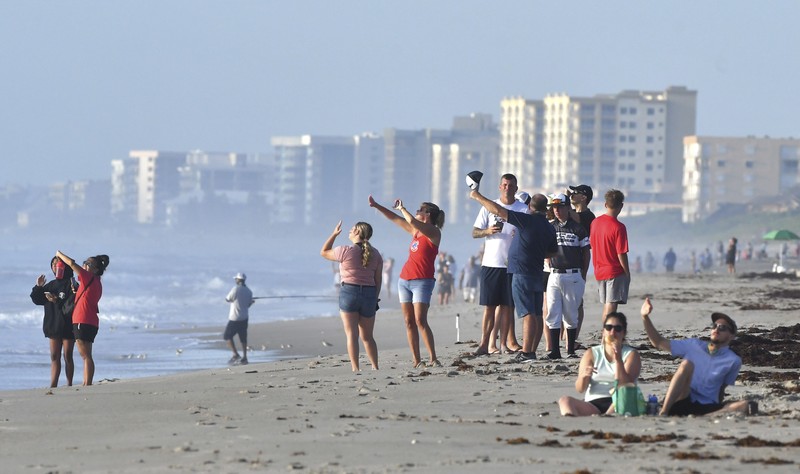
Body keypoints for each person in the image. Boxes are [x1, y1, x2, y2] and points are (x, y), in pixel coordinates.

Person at [470, 189, 557, 362]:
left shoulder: (527, 220)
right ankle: (531, 350)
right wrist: (536, 252)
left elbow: (498, 210)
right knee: (537, 313)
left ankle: (526, 352)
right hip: (536, 271)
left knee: (528, 313)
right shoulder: (548, 226)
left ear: (530, 207)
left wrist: (477, 196)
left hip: (522, 271)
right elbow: (553, 252)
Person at [369, 195, 445, 368]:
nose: (417, 211)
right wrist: (377, 206)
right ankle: (417, 360)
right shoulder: (416, 232)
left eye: (420, 210)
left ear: (427, 215)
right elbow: (395, 218)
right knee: (408, 321)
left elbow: (410, 219)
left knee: (420, 320)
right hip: (405, 280)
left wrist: (403, 208)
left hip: (423, 281)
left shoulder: (433, 232)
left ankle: (433, 358)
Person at [640, 297, 748, 416]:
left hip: (707, 405)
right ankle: (664, 411)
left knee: (745, 405)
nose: (716, 329)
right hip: (683, 399)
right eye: (714, 326)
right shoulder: (694, 345)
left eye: (722, 328)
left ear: (731, 336)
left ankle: (706, 416)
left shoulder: (733, 360)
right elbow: (658, 342)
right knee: (687, 364)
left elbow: (721, 388)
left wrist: (720, 404)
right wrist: (645, 317)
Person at [471, 174, 528, 355]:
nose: (507, 188)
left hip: (513, 264)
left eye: (511, 186)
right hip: (491, 263)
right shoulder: (490, 207)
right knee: (489, 307)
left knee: (507, 306)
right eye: (504, 185)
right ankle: (484, 344)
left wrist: (519, 235)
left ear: (516, 188)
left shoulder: (523, 209)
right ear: (499, 187)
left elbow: (528, 232)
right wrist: (488, 231)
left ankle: (503, 344)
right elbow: (474, 232)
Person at [320, 220, 382, 372]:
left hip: (349, 292)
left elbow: (324, 252)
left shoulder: (345, 250)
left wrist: (334, 234)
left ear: (357, 233)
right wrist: (375, 297)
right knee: (367, 336)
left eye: (352, 229)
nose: (349, 230)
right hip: (369, 293)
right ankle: (375, 366)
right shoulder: (376, 254)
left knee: (351, 334)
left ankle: (356, 368)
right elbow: (377, 280)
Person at [558, 311, 641, 416]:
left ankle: (606, 417)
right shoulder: (592, 353)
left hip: (620, 400)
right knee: (565, 400)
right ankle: (573, 423)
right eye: (609, 327)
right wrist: (584, 377)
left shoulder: (631, 354)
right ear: (603, 332)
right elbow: (580, 389)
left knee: (625, 391)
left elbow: (626, 384)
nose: (612, 332)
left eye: (617, 329)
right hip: (594, 402)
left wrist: (618, 359)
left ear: (624, 333)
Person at [544, 194, 590, 360]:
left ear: (567, 208)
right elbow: (544, 247)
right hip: (554, 275)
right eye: (554, 208)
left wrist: (583, 273)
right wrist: (548, 260)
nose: (557, 211)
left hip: (573, 275)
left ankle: (570, 350)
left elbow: (586, 252)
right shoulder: (549, 227)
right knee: (553, 311)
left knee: (571, 313)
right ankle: (555, 351)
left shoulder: (578, 229)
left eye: (560, 207)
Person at [55, 251, 109, 386]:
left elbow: (72, 263)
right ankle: (86, 382)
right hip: (90, 320)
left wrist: (59, 254)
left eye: (88, 264)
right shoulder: (96, 281)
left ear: (95, 269)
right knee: (87, 355)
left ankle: (87, 383)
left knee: (85, 356)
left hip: (82, 319)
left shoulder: (88, 276)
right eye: (85, 262)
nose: (84, 265)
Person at [30, 256, 76, 387]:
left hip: (68, 326)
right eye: (54, 264)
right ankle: (53, 384)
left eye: (59, 264)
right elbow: (37, 300)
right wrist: (38, 287)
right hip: (53, 325)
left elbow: (72, 304)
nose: (56, 266)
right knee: (54, 357)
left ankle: (69, 384)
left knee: (68, 356)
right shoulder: (50, 285)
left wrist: (56, 300)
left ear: (65, 266)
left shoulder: (71, 283)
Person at [589, 189, 630, 321]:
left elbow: (592, 245)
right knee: (611, 305)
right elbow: (621, 253)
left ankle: (604, 334)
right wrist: (627, 272)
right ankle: (606, 335)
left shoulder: (595, 223)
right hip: (614, 270)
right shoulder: (619, 227)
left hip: (599, 270)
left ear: (606, 204)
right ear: (621, 206)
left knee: (607, 304)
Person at [568, 184, 594, 341]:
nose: (571, 195)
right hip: (565, 262)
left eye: (574, 193)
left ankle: (574, 337)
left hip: (578, 263)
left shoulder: (589, 217)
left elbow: (579, 223)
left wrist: (584, 271)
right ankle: (566, 335)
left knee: (577, 301)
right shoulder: (571, 214)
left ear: (583, 197)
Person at [224, 272, 254, 365]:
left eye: (236, 279)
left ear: (238, 280)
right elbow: (248, 305)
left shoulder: (235, 289)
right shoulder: (249, 291)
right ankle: (245, 357)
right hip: (244, 317)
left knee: (227, 336)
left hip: (234, 318)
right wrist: (251, 302)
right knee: (243, 338)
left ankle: (235, 354)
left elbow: (228, 299)